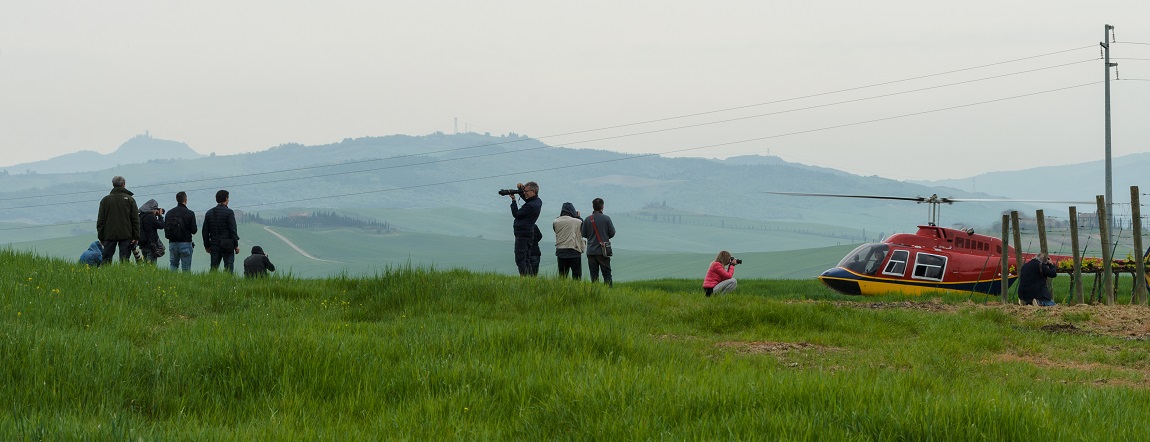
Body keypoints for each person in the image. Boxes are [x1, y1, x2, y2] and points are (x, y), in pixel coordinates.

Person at [96, 175, 140, 264]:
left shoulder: (105, 200)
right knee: (124, 260)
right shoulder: (130, 200)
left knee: (106, 260)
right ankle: (123, 276)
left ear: (113, 184)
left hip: (109, 234)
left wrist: (101, 236)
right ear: (123, 184)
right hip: (126, 234)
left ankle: (106, 276)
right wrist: (136, 236)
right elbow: (135, 219)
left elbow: (101, 220)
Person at [509, 181, 542, 276]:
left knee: (520, 259)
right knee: (526, 259)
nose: (524, 193)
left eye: (526, 191)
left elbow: (516, 214)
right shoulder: (537, 202)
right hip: (527, 233)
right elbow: (528, 199)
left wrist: (514, 201)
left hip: (522, 235)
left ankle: (525, 279)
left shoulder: (531, 205)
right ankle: (529, 280)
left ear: (533, 191)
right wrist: (520, 190)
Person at [202, 189, 240, 273]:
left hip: (214, 244)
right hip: (228, 245)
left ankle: (211, 284)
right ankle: (229, 285)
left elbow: (205, 231)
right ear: (226, 199)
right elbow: (233, 230)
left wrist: (206, 246)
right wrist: (236, 245)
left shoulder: (209, 213)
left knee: (214, 269)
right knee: (229, 269)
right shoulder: (229, 212)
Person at [582, 197, 615, 287]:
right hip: (603, 251)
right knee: (607, 274)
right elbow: (612, 233)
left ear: (593, 206)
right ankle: (608, 293)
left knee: (594, 276)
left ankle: (596, 295)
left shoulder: (587, 219)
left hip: (591, 251)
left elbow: (584, 234)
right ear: (602, 206)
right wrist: (604, 237)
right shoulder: (606, 218)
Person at [165, 191, 199, 272]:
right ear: (185, 199)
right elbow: (194, 230)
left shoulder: (169, 213)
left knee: (173, 265)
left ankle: (172, 283)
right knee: (186, 268)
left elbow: (165, 229)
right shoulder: (190, 213)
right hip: (185, 243)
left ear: (177, 199)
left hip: (172, 243)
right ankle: (185, 284)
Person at [553, 202, 585, 279]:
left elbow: (555, 230)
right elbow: (583, 230)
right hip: (574, 251)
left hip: (561, 251)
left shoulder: (556, 221)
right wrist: (578, 217)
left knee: (562, 276)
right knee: (576, 276)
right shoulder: (578, 221)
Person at [137, 199, 165, 264]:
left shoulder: (140, 216)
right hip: (150, 245)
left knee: (146, 264)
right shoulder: (150, 217)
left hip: (142, 244)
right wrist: (160, 216)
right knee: (151, 266)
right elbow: (161, 225)